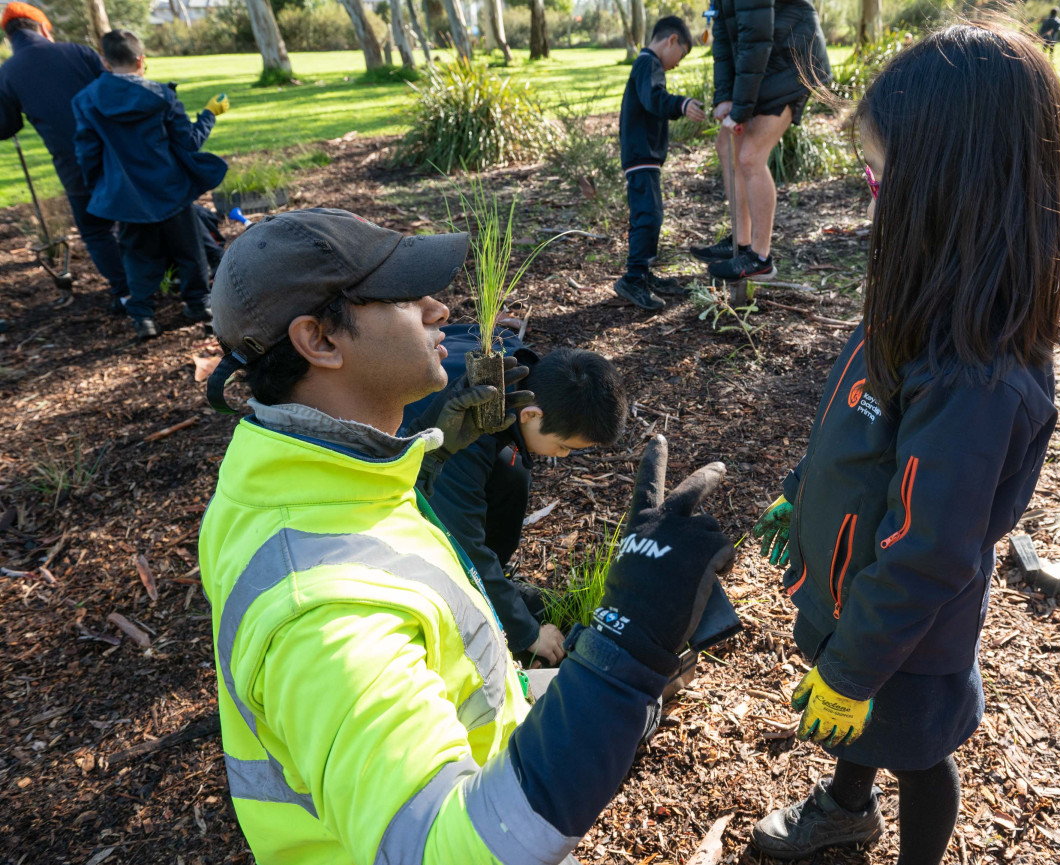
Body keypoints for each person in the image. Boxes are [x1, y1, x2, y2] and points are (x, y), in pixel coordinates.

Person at [198, 207, 736, 864]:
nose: (436, 308)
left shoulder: (316, 479)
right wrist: (623, 658)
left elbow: (455, 682)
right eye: (401, 296)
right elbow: (450, 846)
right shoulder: (325, 615)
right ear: (320, 340)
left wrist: (599, 697)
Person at [747, 25, 1060, 863]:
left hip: (906, 626)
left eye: (879, 175)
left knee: (919, 754)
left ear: (949, 186)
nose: (871, 190)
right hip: (861, 598)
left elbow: (928, 549)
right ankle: (848, 806)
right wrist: (800, 487)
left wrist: (853, 669)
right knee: (863, 728)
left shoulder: (976, 378)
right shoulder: (924, 296)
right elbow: (856, 429)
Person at [410, 327, 629, 667]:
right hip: (383, 461)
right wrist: (527, 633)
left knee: (513, 464)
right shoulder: (463, 434)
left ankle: (497, 590)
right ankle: (473, 606)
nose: (565, 456)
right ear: (531, 415)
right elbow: (463, 546)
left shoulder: (515, 362)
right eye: (565, 447)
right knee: (456, 536)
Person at [72, 29, 228, 340]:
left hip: (126, 195)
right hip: (169, 189)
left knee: (136, 255)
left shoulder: (86, 101)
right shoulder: (161, 96)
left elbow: (87, 152)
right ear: (141, 59)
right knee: (189, 250)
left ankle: (143, 316)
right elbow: (188, 143)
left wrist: (100, 186)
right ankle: (198, 304)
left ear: (104, 62)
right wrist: (209, 114)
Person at [690, 0, 831, 283]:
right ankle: (741, 245)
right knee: (727, 146)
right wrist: (724, 97)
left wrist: (740, 110)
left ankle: (760, 258)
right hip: (767, 64)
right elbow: (724, 37)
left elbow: (756, 39)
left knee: (750, 156)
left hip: (792, 64)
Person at [0, 3, 130, 307]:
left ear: (10, 37)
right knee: (134, 218)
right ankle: (168, 278)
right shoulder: (79, 52)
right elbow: (114, 93)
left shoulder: (7, 73)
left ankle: (126, 292)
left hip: (74, 165)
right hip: (117, 154)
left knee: (96, 231)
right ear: (44, 29)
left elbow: (6, 127)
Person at [613, 16, 707, 311]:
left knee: (651, 214)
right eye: (683, 53)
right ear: (672, 41)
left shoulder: (646, 64)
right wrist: (680, 104)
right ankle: (633, 278)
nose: (678, 62)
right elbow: (654, 99)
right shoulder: (648, 64)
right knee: (648, 216)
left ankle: (644, 273)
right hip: (641, 156)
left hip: (644, 156)